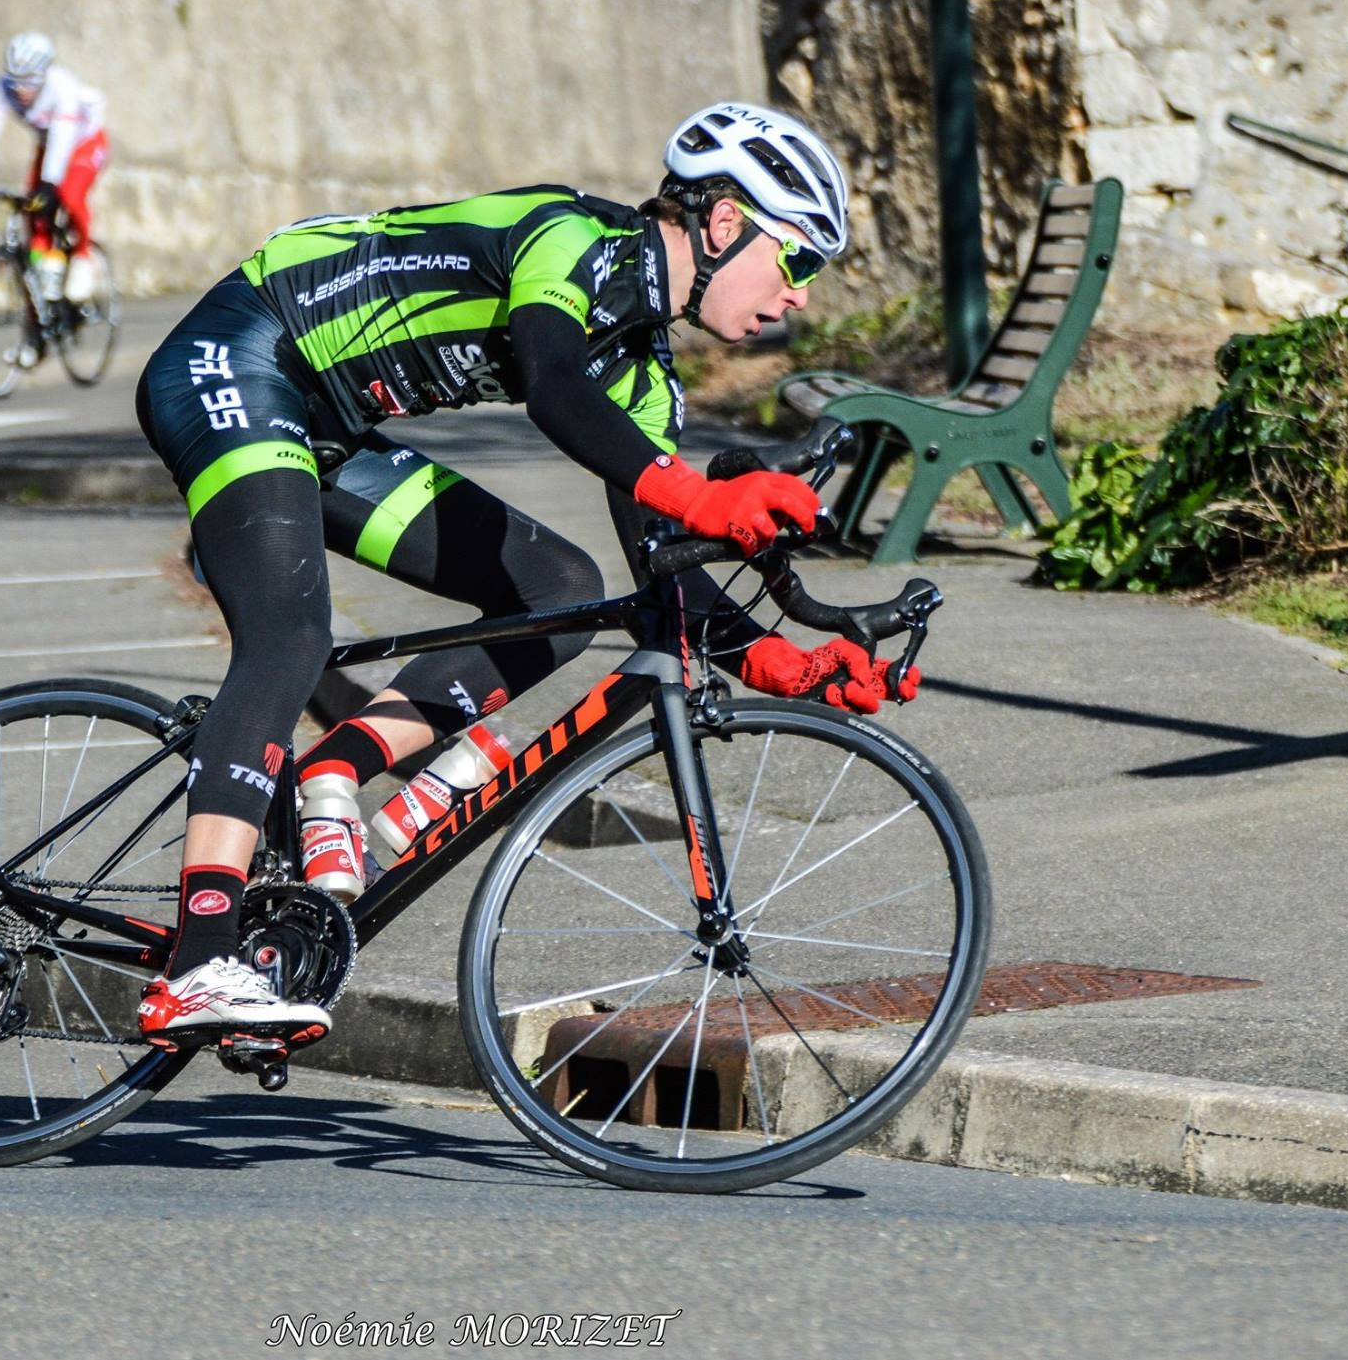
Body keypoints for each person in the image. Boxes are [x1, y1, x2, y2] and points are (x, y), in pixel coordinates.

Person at [131, 101, 917, 1050]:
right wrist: (698, 494)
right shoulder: (571, 238)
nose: (797, 296)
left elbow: (658, 563)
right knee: (290, 638)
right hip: (237, 358)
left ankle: (334, 769)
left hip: (324, 428)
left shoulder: (641, 367)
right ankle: (199, 962)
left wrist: (783, 664)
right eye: (795, 261)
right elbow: (551, 380)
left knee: (560, 586)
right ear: (722, 222)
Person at [0, 31, 109, 321]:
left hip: (84, 143)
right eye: (15, 79)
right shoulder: (0, 88)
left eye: (29, 80)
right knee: (33, 212)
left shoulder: (62, 87)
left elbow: (63, 135)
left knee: (68, 195)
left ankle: (83, 257)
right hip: (49, 145)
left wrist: (50, 183)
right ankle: (42, 307)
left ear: (44, 73)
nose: (21, 89)